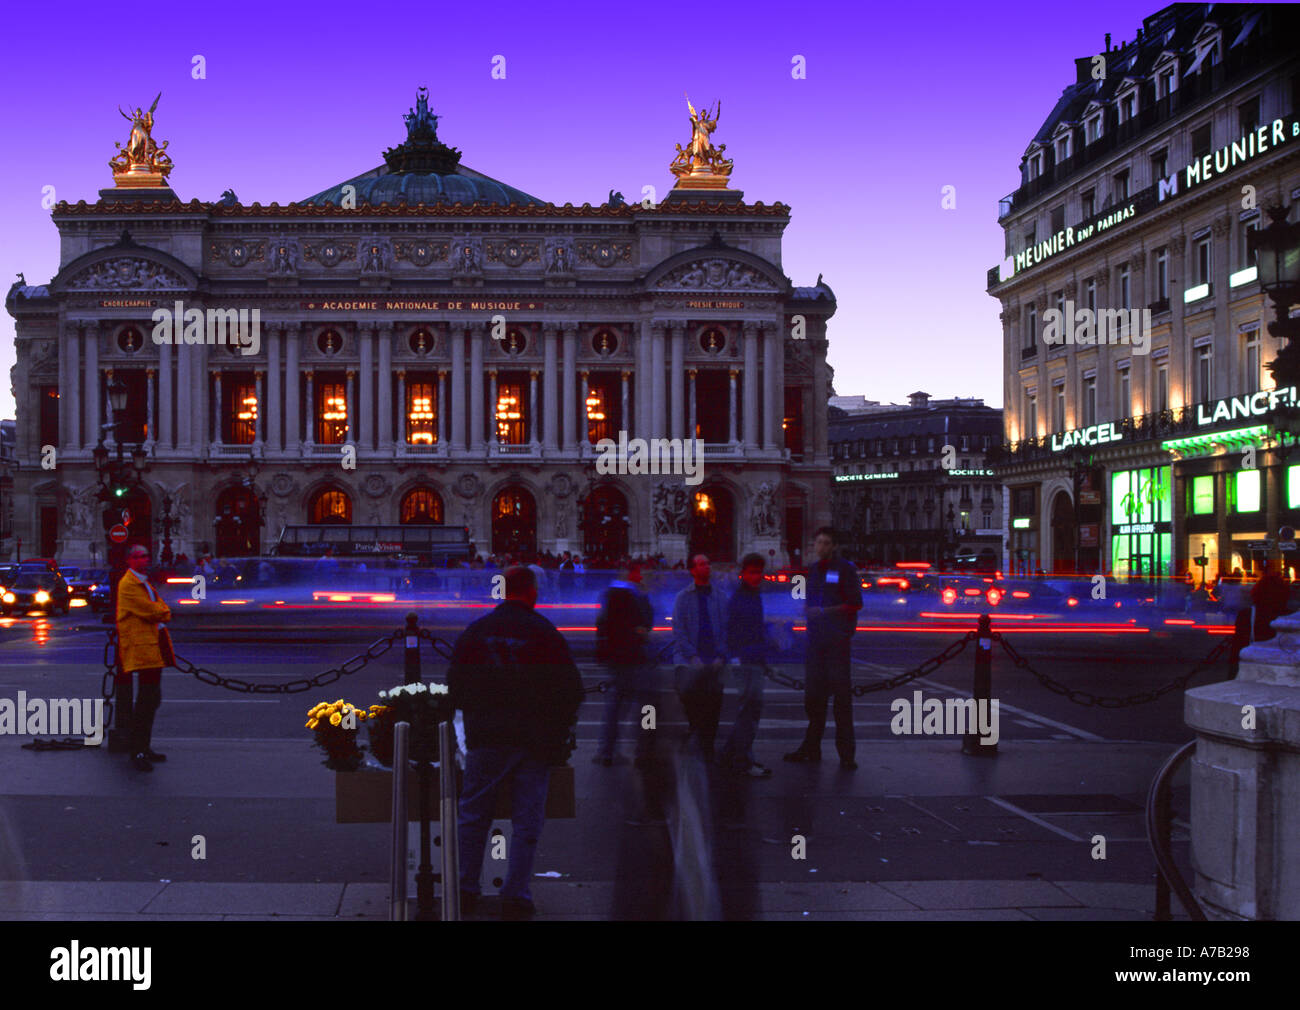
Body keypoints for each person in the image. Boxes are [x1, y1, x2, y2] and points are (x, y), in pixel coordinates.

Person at [448, 566, 584, 920]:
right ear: (532, 592)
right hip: (533, 740)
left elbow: (455, 687)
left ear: (502, 591)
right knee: (527, 820)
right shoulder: (545, 633)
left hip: (487, 737)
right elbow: (571, 690)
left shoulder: (478, 632)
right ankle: (515, 893)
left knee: (474, 815)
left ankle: (465, 887)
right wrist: (557, 729)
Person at [786, 527, 863, 770]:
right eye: (818, 542)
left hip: (837, 641)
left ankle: (847, 755)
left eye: (826, 543)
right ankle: (811, 747)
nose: (821, 547)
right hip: (816, 641)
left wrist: (823, 612)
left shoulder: (845, 569)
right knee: (813, 699)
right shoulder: (813, 570)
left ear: (834, 546)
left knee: (841, 701)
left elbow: (855, 603)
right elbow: (808, 599)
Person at [116, 545, 172, 772]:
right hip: (141, 650)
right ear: (129, 560)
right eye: (137, 556)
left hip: (152, 648)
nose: (143, 560)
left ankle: (144, 747)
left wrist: (160, 609)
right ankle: (137, 751)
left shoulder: (144, 582)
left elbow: (156, 607)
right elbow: (152, 611)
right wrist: (163, 611)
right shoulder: (129, 584)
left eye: (145, 555)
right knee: (144, 703)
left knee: (151, 700)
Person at [594, 560, 655, 767]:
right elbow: (646, 622)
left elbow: (602, 624)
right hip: (635, 657)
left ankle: (607, 751)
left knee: (614, 707)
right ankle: (644, 750)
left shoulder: (611, 593)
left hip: (616, 657)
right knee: (647, 706)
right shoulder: (634, 595)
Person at [721, 553, 773, 777]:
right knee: (749, 714)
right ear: (743, 573)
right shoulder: (741, 598)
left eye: (759, 572)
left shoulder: (752, 595)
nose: (756, 576)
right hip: (746, 661)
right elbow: (736, 632)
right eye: (752, 572)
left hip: (753, 659)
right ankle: (743, 760)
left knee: (748, 712)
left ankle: (729, 755)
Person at [672, 554, 728, 760]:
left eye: (708, 563)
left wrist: (721, 655)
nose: (707, 567)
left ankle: (707, 745)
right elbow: (679, 630)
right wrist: (692, 656)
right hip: (690, 659)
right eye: (702, 564)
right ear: (693, 570)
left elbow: (726, 628)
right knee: (689, 696)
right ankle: (697, 732)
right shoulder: (683, 597)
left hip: (714, 658)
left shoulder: (720, 596)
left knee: (714, 703)